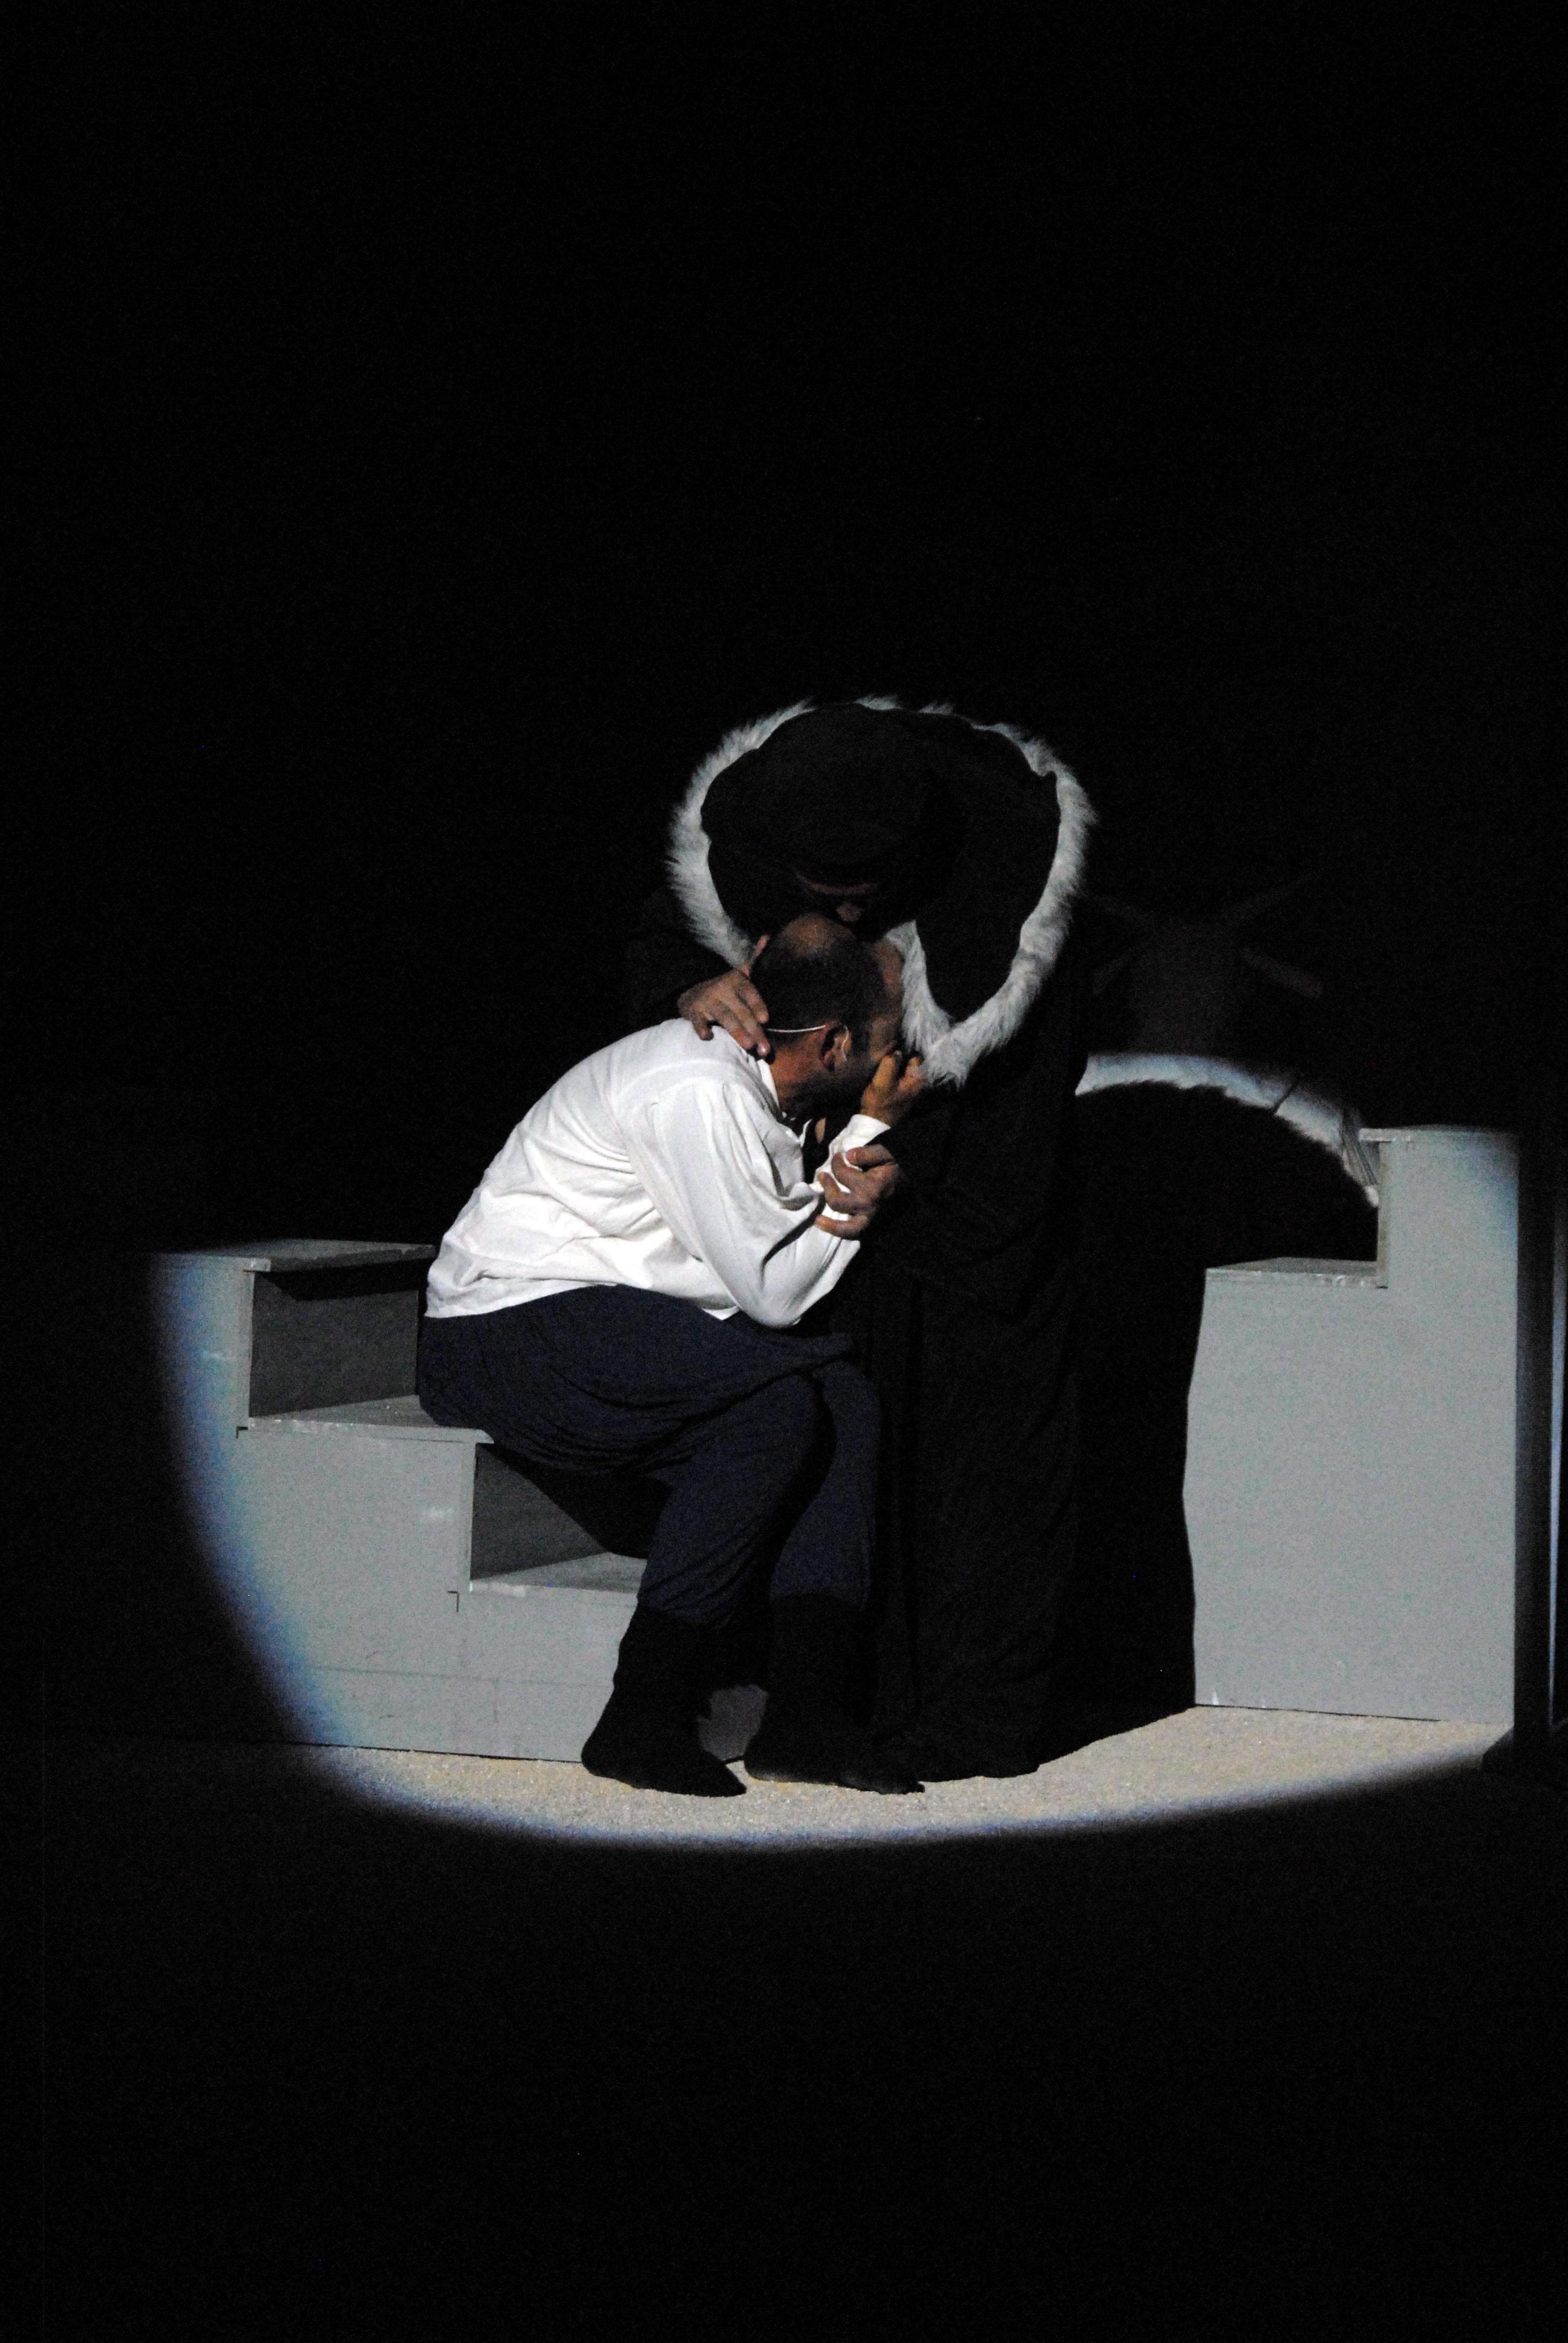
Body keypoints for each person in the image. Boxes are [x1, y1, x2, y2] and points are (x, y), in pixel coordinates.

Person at [625, 698, 1096, 1780]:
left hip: (972, 1225)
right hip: (818, 1222)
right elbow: (660, 958)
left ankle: (972, 1714)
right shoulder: (747, 855)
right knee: (832, 1433)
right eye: (823, 884)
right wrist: (693, 990)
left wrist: (903, 1166)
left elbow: (1025, 1129)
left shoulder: (1007, 884)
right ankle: (823, 1703)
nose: (846, 904)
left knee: (979, 1461)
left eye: (867, 883)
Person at [417, 914, 926, 1798]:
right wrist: (866, 1139)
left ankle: (805, 1718)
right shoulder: (700, 1087)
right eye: (887, 1040)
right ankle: (641, 1714)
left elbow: (760, 1254)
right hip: (499, 1328)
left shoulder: (755, 1087)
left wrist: (855, 1145)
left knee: (845, 1401)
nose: (900, 1058)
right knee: (770, 1413)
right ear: (836, 1043)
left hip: (609, 1312)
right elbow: (774, 1291)